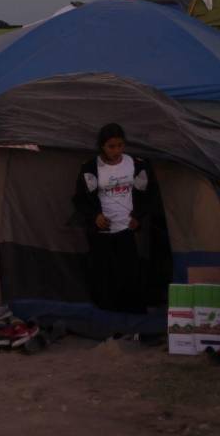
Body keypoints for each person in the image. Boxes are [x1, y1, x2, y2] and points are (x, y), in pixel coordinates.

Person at [73, 123, 150, 314]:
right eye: (111, 146)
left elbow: (147, 195)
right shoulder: (90, 167)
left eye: (120, 145)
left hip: (127, 228)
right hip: (103, 230)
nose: (116, 151)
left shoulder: (136, 164)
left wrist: (138, 217)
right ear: (102, 146)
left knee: (129, 270)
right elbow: (80, 199)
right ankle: (106, 310)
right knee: (104, 271)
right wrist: (95, 216)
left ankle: (131, 309)